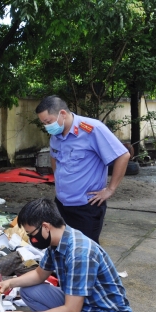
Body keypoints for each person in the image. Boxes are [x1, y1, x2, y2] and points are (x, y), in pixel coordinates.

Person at [0, 198, 132, 312]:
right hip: (84, 305)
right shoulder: (58, 240)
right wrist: (9, 282)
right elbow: (40, 274)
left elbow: (71, 311)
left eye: (31, 234)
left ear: (45, 226)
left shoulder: (79, 253)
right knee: (29, 291)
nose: (32, 239)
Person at [35, 95, 130, 243]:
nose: (47, 126)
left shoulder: (92, 129)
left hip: (86, 206)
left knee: (85, 252)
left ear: (63, 114)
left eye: (48, 122)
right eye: (44, 123)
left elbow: (123, 156)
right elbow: (54, 157)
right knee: (62, 247)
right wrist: (59, 181)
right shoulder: (56, 134)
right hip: (61, 204)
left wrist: (110, 189)